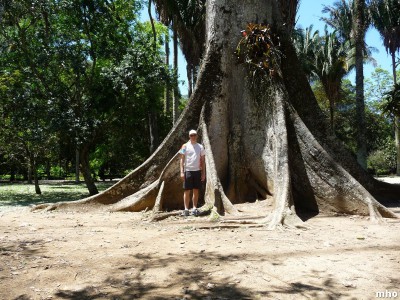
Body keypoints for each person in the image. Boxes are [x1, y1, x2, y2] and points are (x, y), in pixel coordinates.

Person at [179, 129, 206, 216]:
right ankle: (186, 209)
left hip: (197, 171)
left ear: (197, 136)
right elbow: (181, 159)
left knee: (196, 190)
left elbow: (203, 160)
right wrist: (182, 172)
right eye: (191, 135)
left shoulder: (200, 147)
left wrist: (203, 173)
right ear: (189, 136)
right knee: (187, 191)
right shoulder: (184, 146)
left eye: (194, 135)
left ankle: (194, 208)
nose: (193, 137)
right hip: (188, 171)